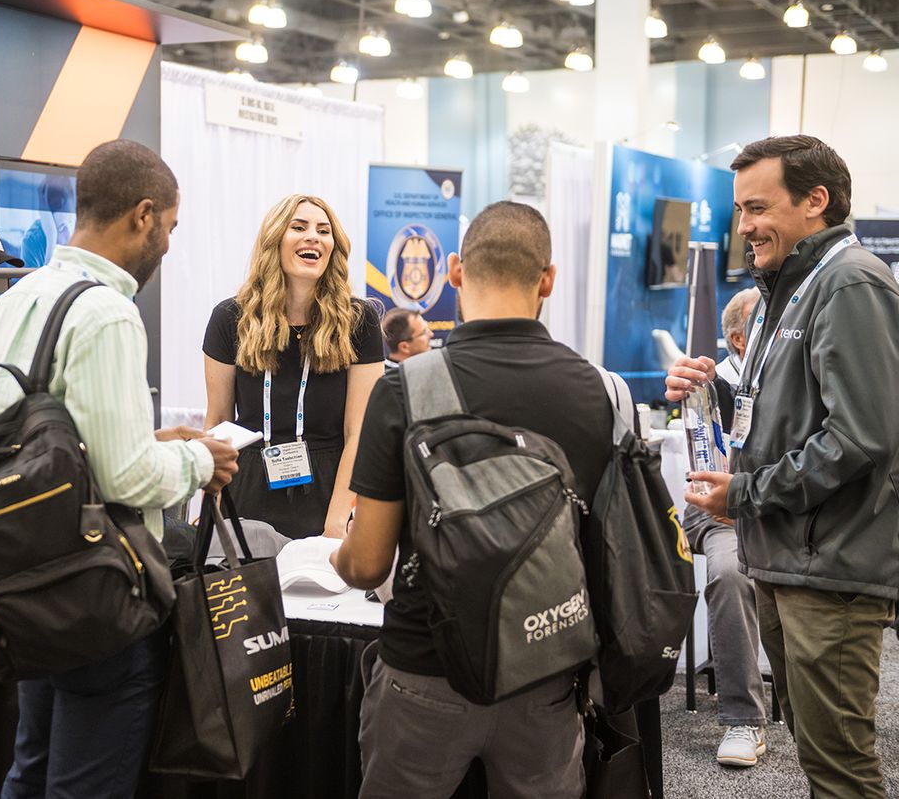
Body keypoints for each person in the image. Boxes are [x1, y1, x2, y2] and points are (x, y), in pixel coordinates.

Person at [0, 139, 239, 799]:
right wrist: (198, 458)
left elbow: (32, 444)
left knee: (30, 770)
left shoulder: (17, 296)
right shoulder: (108, 313)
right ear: (143, 215)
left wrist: (149, 440)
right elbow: (125, 480)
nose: (168, 245)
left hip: (25, 578)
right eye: (169, 227)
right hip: (96, 594)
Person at [331, 201, 612, 798]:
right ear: (548, 280)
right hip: (547, 668)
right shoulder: (599, 392)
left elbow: (367, 564)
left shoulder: (405, 388)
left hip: (424, 669)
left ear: (455, 270)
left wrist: (338, 555)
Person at [666, 135, 899, 798]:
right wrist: (709, 391)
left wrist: (745, 493)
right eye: (740, 210)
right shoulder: (785, 288)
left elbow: (861, 437)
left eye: (758, 207)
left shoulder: (850, 282)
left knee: (840, 767)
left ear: (815, 200)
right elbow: (784, 415)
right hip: (786, 559)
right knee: (817, 752)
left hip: (829, 567)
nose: (744, 226)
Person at [203, 194, 384, 539]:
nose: (313, 237)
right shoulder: (230, 318)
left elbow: (359, 432)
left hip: (330, 492)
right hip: (246, 488)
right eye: (299, 227)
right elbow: (219, 422)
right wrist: (209, 507)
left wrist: (337, 520)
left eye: (324, 231)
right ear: (274, 239)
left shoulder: (359, 321)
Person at [681, 285, 766, 768]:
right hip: (718, 509)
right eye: (762, 320)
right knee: (732, 571)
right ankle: (743, 719)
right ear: (738, 339)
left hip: (770, 504)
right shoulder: (715, 382)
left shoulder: (788, 370)